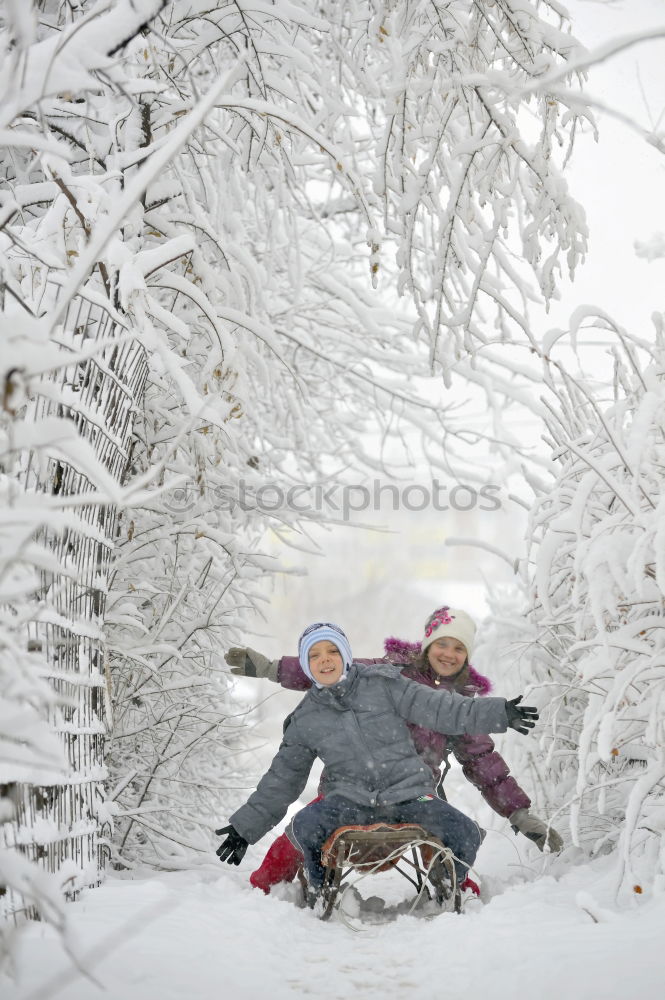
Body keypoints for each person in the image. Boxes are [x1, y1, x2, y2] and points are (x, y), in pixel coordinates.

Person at [225, 606, 563, 894]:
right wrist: (269, 668)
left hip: (412, 791)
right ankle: (279, 888)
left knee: (457, 833)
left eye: (458, 648)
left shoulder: (451, 701)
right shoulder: (388, 675)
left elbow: (482, 759)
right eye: (441, 643)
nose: (448, 653)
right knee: (298, 833)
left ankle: (453, 885)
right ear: (427, 645)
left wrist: (517, 810)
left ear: (467, 656)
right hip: (349, 791)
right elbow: (327, 663)